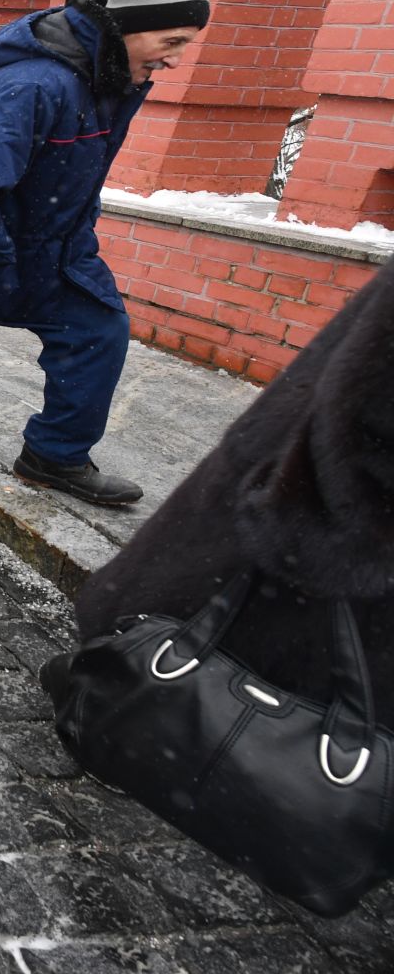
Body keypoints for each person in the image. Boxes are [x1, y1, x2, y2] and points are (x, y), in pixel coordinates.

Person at [0, 0, 211, 506]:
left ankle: (55, 455)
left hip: (53, 253)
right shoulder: (34, 83)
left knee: (98, 331)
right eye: (171, 42)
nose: (175, 58)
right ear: (130, 28)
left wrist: (75, 232)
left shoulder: (104, 79)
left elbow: (69, 169)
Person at [59, 261, 394, 729]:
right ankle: (121, 690)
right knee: (219, 597)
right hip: (331, 482)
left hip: (334, 493)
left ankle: (126, 691)